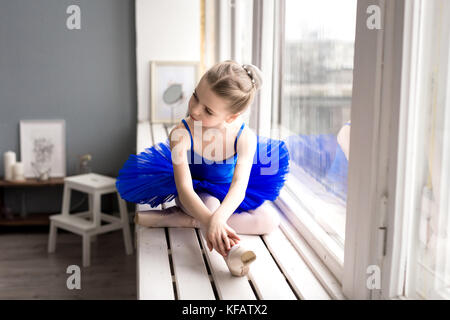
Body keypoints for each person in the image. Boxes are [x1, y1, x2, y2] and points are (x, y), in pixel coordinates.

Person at [116, 60, 290, 276]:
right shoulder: (181, 133)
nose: (195, 110)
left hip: (225, 190)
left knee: (270, 220)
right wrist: (211, 217)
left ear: (232, 116)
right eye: (196, 95)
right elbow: (185, 190)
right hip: (195, 193)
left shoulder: (244, 136)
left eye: (208, 110)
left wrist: (216, 220)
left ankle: (185, 220)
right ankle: (233, 254)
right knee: (211, 204)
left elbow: (238, 186)